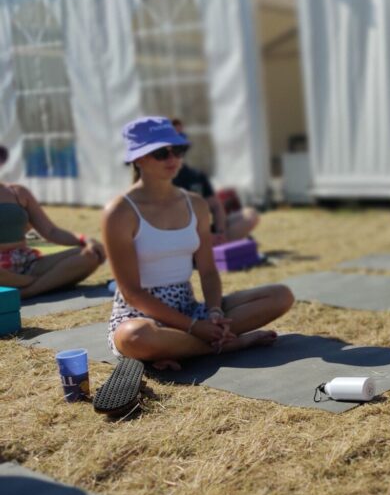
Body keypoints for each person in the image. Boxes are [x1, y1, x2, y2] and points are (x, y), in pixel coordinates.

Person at [103, 117, 293, 369]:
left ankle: (183, 346)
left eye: (178, 150)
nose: (172, 158)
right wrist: (195, 327)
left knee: (281, 296)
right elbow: (132, 294)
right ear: (138, 159)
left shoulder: (196, 204)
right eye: (161, 153)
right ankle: (227, 344)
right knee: (134, 337)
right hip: (140, 315)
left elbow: (208, 271)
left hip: (189, 308)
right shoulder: (119, 212)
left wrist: (214, 312)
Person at [0, 144, 106, 298]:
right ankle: (44, 282)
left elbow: (51, 231)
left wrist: (85, 239)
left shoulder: (18, 192)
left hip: (27, 261)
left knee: (90, 254)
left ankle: (27, 290)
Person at [169, 119, 260, 244]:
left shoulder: (196, 175)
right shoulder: (159, 179)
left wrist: (220, 232)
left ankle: (219, 244)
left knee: (250, 215)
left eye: (181, 137)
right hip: (180, 235)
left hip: (204, 232)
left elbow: (216, 206)